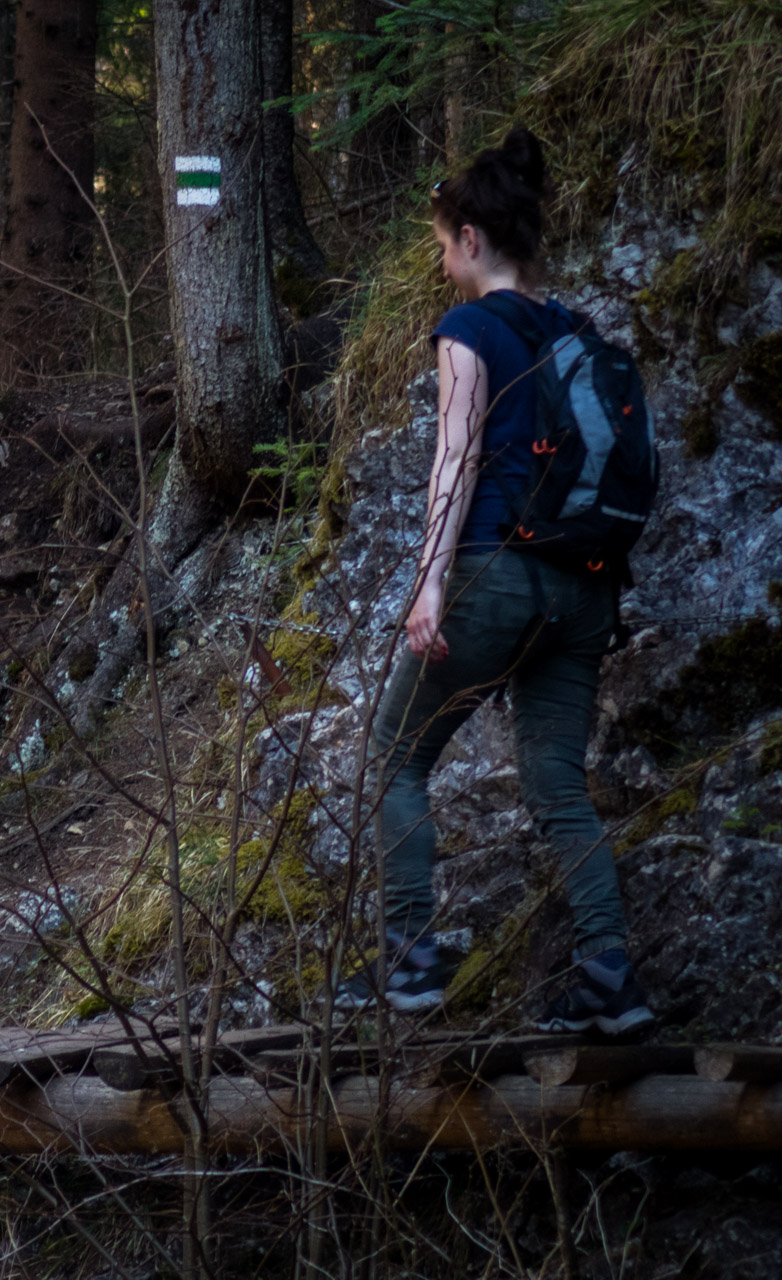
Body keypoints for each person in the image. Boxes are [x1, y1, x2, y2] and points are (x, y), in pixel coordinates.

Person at [334, 129, 652, 1035]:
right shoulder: (575, 333)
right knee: (557, 781)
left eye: (442, 246)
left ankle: (407, 965)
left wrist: (430, 585)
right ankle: (610, 977)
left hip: (495, 576)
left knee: (396, 757)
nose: (441, 265)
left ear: (471, 238)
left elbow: (455, 458)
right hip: (584, 591)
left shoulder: (470, 328)